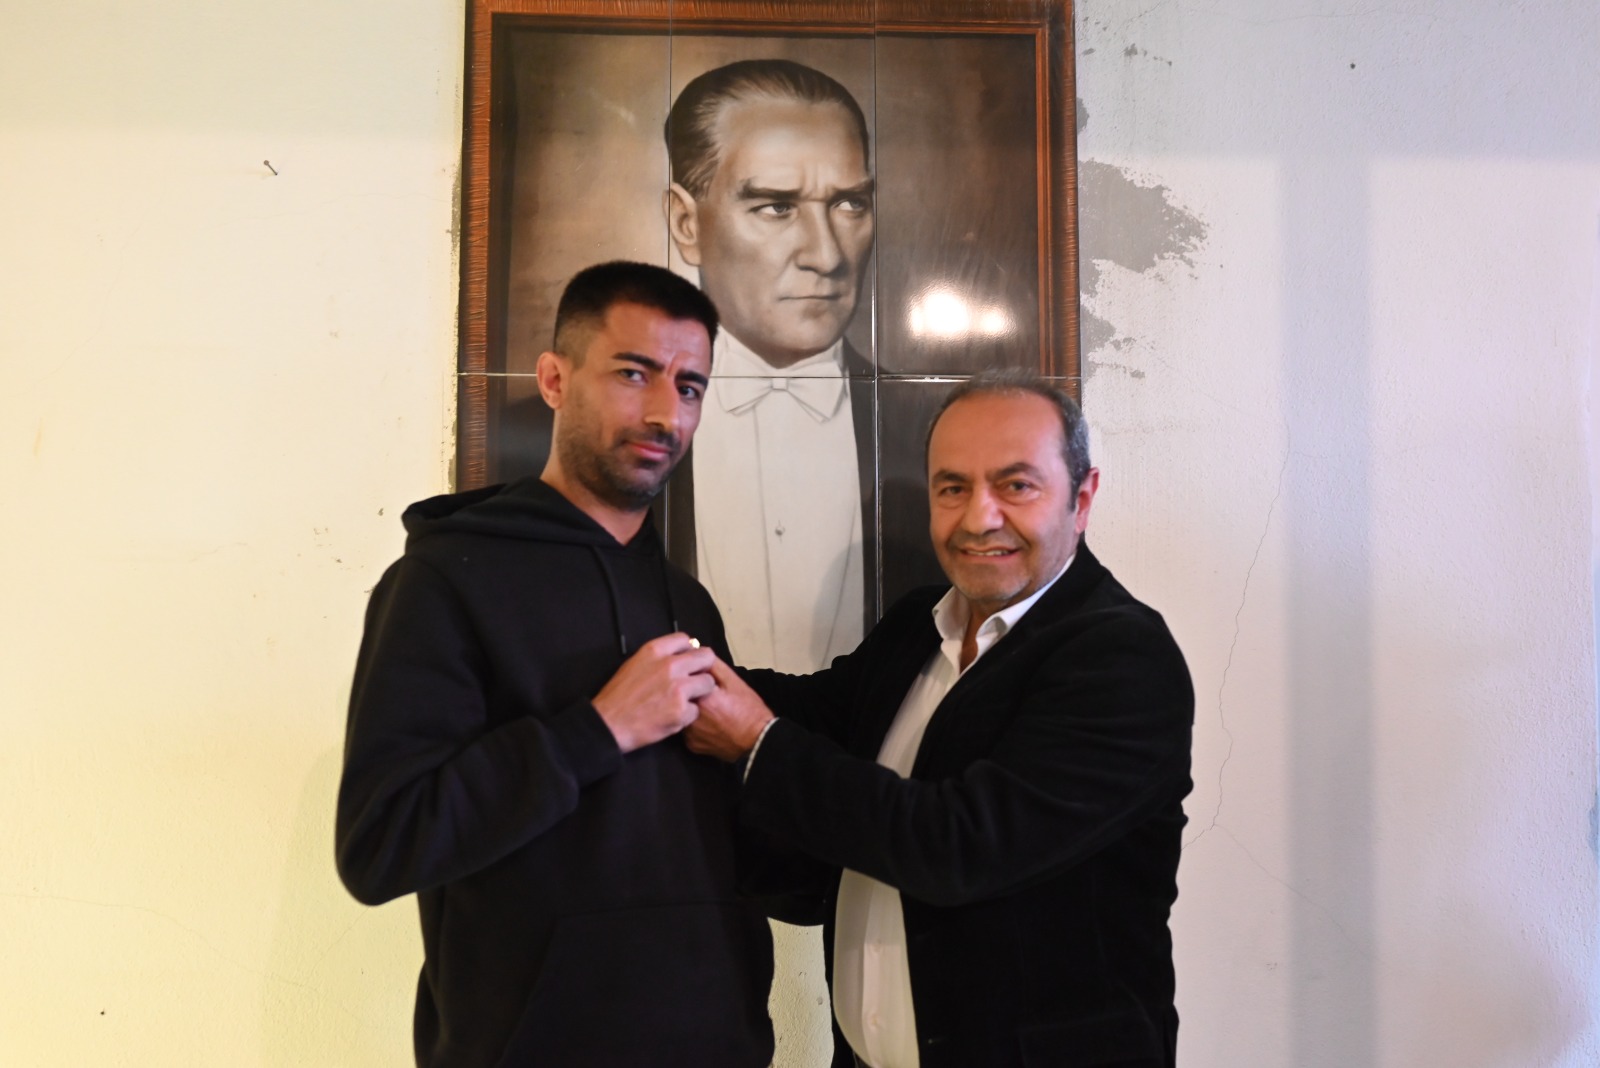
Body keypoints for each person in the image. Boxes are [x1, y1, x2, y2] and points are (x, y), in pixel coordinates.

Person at [685, 370, 1194, 1068]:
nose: (979, 518)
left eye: (1016, 486)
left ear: (1081, 499)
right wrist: (670, 664)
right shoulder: (916, 626)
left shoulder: (1123, 659)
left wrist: (754, 742)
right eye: (952, 488)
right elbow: (812, 712)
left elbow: (958, 847)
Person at [335, 261, 774, 1067]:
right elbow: (381, 844)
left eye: (689, 387)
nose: (664, 413)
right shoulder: (442, 582)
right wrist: (597, 732)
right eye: (633, 373)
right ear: (553, 380)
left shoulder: (688, 602)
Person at [663, 58, 878, 675]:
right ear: (686, 224)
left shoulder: (930, 431)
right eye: (777, 207)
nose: (827, 255)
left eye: (849, 204)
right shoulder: (606, 432)